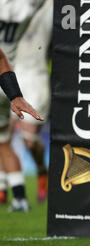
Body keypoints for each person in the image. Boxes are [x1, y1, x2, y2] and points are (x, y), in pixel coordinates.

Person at [0, 0, 46, 211]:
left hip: (21, 79)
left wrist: (15, 95)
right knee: (4, 139)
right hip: (13, 79)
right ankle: (14, 193)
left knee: (16, 140)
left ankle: (13, 188)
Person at [8, 0, 53, 203]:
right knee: (3, 135)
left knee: (28, 139)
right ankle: (5, 190)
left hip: (35, 78)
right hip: (10, 76)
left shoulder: (49, 7)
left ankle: (42, 171)